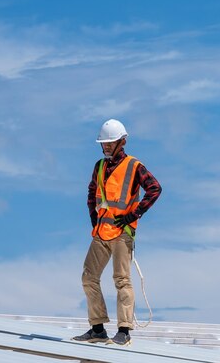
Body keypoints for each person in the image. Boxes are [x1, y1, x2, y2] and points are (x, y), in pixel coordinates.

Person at [73, 118, 162, 346]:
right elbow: (92, 194)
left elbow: (154, 188)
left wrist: (134, 215)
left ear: (122, 142)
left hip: (123, 232)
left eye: (110, 143)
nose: (106, 146)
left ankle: (124, 332)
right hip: (102, 232)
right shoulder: (100, 166)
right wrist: (95, 221)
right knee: (88, 277)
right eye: (104, 143)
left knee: (122, 280)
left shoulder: (134, 166)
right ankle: (97, 329)